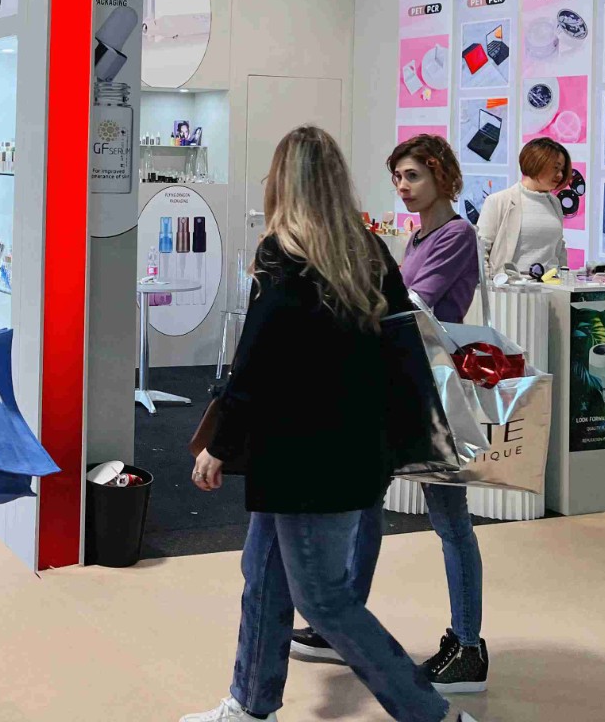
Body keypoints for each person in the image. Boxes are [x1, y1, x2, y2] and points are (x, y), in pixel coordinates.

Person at [181, 126, 477, 722]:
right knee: (264, 575)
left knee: (322, 597)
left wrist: (220, 443)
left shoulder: (283, 255)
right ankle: (250, 701)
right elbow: (399, 350)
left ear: (283, 182)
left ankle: (431, 713)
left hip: (301, 453)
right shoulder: (367, 253)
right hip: (350, 446)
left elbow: (256, 361)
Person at [291, 133, 489, 694]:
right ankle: (343, 623)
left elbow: (412, 305)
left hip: (431, 392)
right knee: (366, 503)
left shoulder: (455, 235)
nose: (402, 187)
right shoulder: (420, 235)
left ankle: (468, 646)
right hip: (402, 382)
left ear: (442, 176)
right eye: (397, 177)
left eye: (413, 176)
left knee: (449, 520)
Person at [476, 136, 570, 277]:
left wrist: (565, 277)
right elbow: (480, 250)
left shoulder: (555, 203)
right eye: (555, 168)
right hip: (509, 287)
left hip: (552, 285)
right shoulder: (498, 201)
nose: (560, 175)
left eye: (562, 169)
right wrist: (489, 284)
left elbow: (559, 249)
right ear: (536, 163)